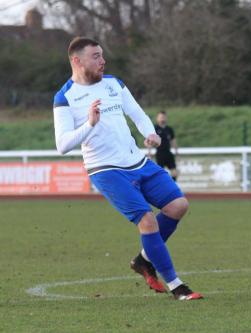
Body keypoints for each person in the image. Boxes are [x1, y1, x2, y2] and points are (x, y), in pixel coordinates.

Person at [53, 37, 202, 301]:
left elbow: (136, 113)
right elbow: (62, 145)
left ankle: (144, 260)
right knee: (146, 221)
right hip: (106, 170)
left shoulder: (114, 83)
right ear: (77, 61)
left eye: (102, 55)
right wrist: (89, 124)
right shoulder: (65, 97)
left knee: (178, 206)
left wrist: (150, 133)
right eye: (96, 56)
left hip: (138, 162)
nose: (103, 60)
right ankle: (177, 286)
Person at [154, 111, 178, 181]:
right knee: (160, 174)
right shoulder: (155, 129)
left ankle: (173, 187)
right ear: (157, 118)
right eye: (160, 117)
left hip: (168, 153)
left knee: (174, 172)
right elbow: (149, 141)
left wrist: (177, 153)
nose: (162, 119)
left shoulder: (169, 129)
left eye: (163, 117)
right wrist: (149, 154)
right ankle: (162, 190)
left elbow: (173, 141)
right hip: (160, 154)